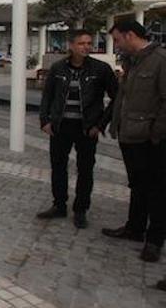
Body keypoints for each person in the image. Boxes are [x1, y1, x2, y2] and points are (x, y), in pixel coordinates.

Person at [36, 30, 118, 229]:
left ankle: (80, 209)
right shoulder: (57, 69)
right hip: (60, 127)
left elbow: (117, 98)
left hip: (86, 128)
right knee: (58, 167)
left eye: (89, 43)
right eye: (81, 43)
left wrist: (100, 125)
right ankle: (59, 205)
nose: (86, 47)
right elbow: (48, 97)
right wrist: (45, 121)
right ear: (71, 45)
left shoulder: (101, 69)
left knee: (85, 169)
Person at [102, 20, 166, 264]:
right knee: (137, 184)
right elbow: (123, 98)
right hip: (130, 134)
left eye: (117, 39)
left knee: (157, 190)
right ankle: (135, 227)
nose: (116, 45)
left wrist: (156, 133)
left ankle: (155, 239)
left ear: (129, 36)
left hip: (150, 139)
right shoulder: (132, 62)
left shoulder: (160, 60)